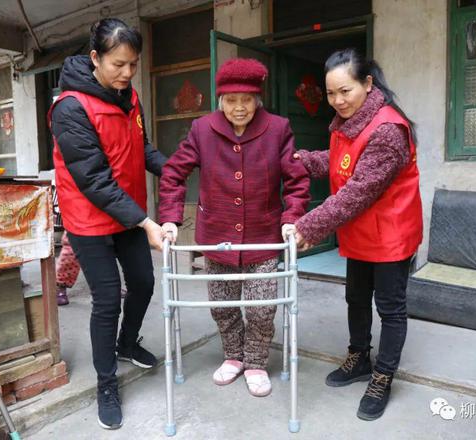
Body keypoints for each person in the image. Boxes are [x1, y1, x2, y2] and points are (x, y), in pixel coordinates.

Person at [159, 58, 310, 398]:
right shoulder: (202, 129)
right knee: (222, 306)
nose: (239, 107)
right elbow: (173, 173)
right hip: (217, 237)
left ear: (258, 99)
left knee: (262, 307)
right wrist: (170, 217)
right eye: (231, 100)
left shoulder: (278, 128)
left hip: (263, 236)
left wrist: (292, 218)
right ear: (220, 100)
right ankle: (233, 356)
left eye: (246, 99)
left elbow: (297, 180)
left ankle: (255, 361)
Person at [48, 18, 167, 430]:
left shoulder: (128, 97)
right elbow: (94, 181)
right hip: (90, 220)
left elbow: (141, 148)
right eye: (119, 64)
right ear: (95, 58)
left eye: (133, 64)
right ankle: (106, 382)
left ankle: (127, 343)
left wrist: (177, 168)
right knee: (107, 299)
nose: (127, 73)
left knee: (144, 282)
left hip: (128, 212)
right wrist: (147, 223)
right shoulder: (70, 108)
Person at [293, 48, 422, 421]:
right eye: (331, 93)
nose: (337, 100)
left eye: (345, 91)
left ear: (367, 84)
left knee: (390, 308)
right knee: (356, 297)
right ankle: (359, 357)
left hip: (390, 234)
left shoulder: (387, 129)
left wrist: (310, 225)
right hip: (361, 231)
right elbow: (340, 164)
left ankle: (383, 376)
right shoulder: (346, 122)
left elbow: (358, 191)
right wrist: (302, 160)